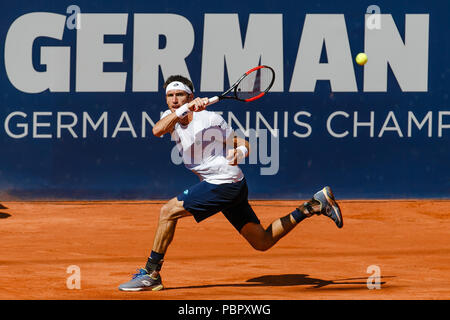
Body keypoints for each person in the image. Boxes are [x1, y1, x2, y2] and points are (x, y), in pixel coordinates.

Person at [118, 75, 343, 291]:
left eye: (180, 95)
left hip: (225, 182)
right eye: (170, 95)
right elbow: (157, 130)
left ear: (191, 96)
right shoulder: (171, 116)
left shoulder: (210, 119)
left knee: (168, 212)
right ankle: (313, 205)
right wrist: (184, 110)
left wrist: (242, 151)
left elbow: (240, 141)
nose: (175, 100)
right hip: (225, 184)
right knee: (262, 241)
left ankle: (151, 274)